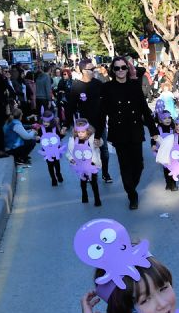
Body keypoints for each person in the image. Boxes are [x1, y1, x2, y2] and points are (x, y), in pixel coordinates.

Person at [103, 55, 158, 210]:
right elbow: (102, 112)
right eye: (117, 68)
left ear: (128, 69)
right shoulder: (107, 88)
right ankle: (132, 194)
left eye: (123, 67)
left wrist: (154, 131)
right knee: (125, 165)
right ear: (113, 71)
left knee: (139, 165)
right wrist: (97, 132)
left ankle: (131, 185)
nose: (120, 71)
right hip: (119, 132)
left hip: (135, 130)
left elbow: (144, 111)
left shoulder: (135, 85)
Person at [67, 118, 101, 207]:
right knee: (83, 181)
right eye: (79, 132)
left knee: (94, 182)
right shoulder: (73, 141)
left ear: (87, 131)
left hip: (91, 164)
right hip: (81, 165)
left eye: (83, 132)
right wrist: (71, 159)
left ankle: (97, 199)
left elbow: (100, 143)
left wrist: (98, 142)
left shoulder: (92, 138)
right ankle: (84, 195)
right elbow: (69, 152)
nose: (80, 134)